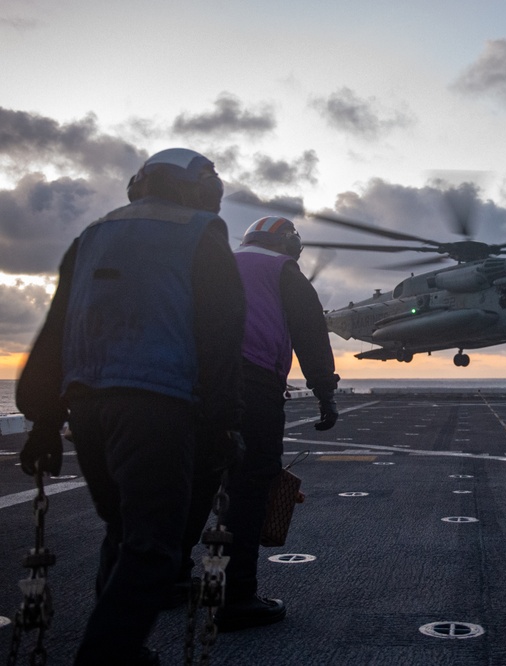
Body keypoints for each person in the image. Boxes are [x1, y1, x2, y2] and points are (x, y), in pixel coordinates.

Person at [15, 148, 246, 666]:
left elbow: (56, 331)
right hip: (158, 406)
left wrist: (44, 423)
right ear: (203, 189)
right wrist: (223, 425)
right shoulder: (202, 233)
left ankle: (126, 650)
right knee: (154, 548)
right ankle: (106, 656)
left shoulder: (92, 235)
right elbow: (221, 336)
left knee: (123, 532)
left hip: (87, 408)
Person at [183, 214, 341, 632]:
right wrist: (325, 393)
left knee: (196, 481)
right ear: (290, 244)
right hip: (250, 387)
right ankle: (235, 597)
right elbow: (311, 334)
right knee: (250, 486)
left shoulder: (218, 261)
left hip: (193, 385)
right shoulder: (283, 271)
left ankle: (171, 579)